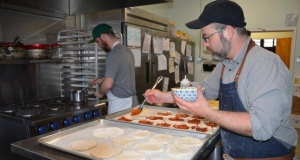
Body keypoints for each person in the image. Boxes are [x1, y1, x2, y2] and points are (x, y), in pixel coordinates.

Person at [144, 0, 298, 159]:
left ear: (229, 32)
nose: (205, 44)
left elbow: (261, 126)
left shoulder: (265, 64)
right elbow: (199, 92)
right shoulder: (225, 64)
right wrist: (163, 96)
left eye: (207, 37)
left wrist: (207, 113)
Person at [89, 23, 139, 114]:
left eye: (98, 41)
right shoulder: (126, 50)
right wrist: (100, 80)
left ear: (103, 36)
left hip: (120, 104)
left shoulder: (113, 54)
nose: (99, 46)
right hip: (132, 102)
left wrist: (99, 93)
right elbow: (121, 75)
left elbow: (107, 85)